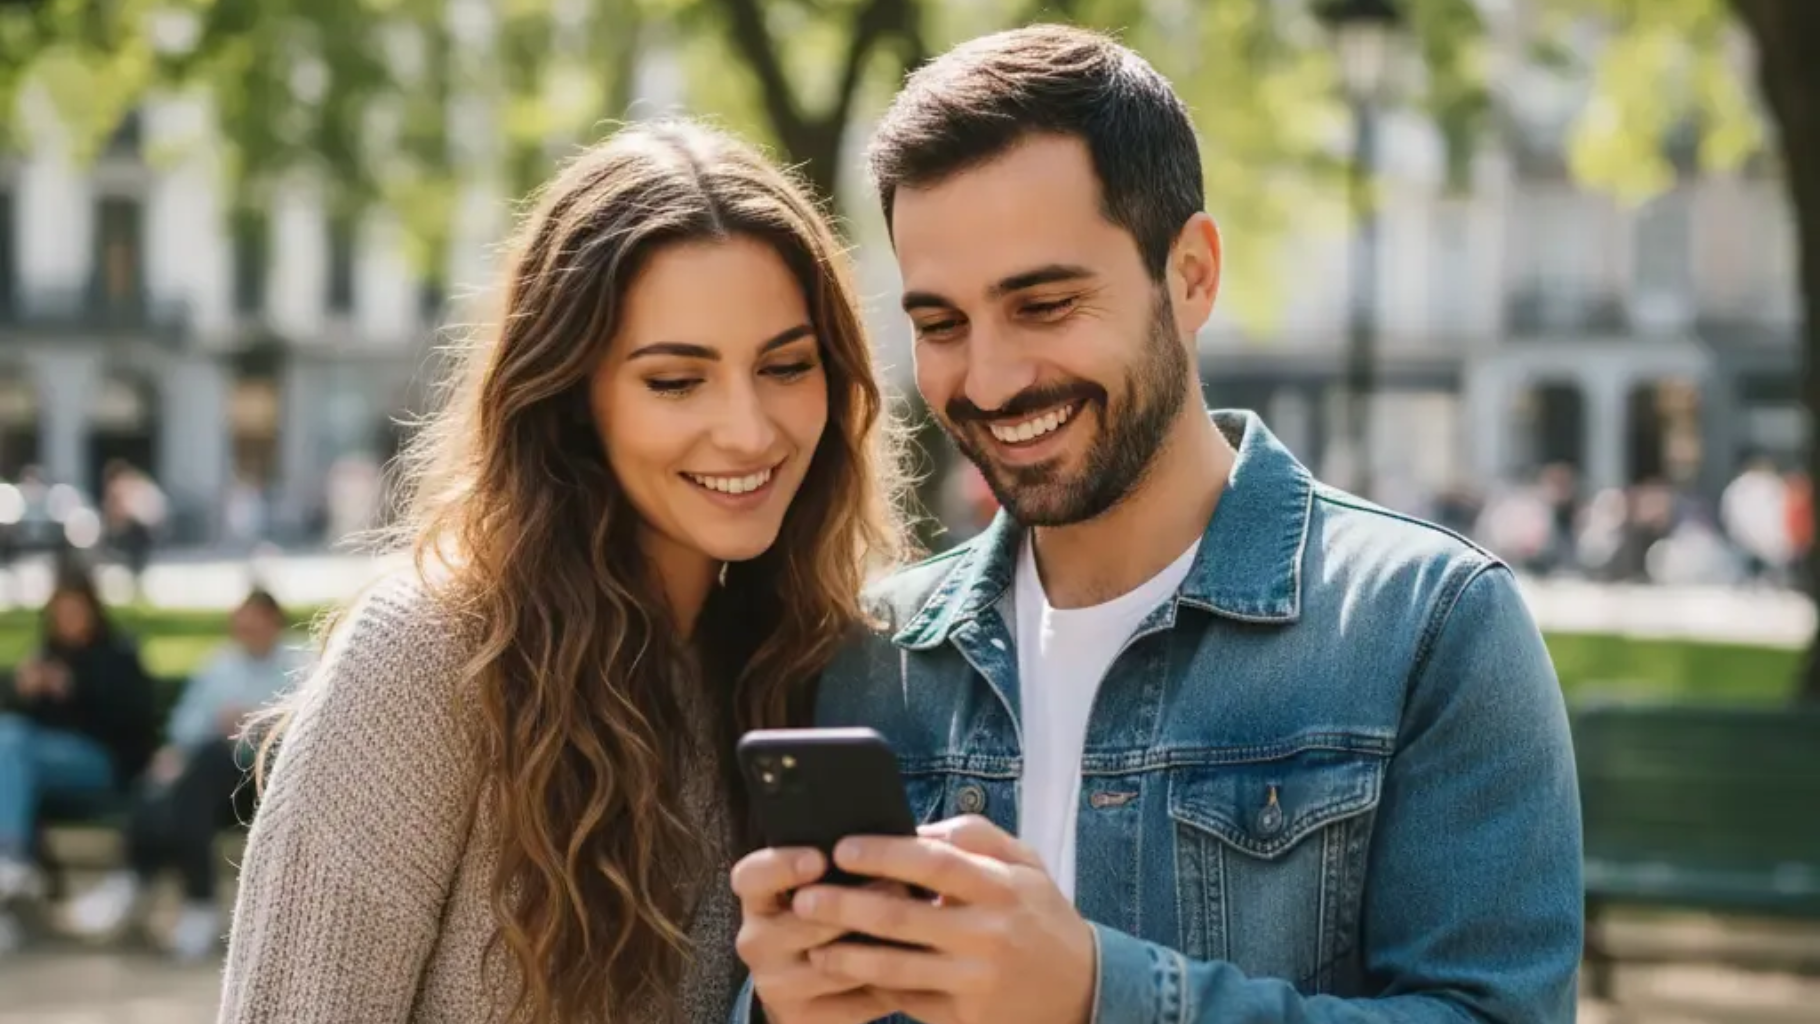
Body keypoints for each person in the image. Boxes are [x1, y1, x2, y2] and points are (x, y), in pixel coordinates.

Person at [731, 24, 1583, 1024]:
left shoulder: (1425, 627)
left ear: (1189, 276)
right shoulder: (871, 656)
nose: (991, 377)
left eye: (1043, 304)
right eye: (939, 324)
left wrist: (1098, 994)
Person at [217, 119, 906, 1024]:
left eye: (786, 365)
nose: (748, 429)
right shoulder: (429, 659)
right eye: (675, 380)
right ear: (575, 395)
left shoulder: (817, 669)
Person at [68, 588, 309, 961]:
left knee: (206, 763)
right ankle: (144, 880)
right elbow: (186, 723)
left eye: (255, 626)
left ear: (273, 623)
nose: (247, 635)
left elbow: (307, 728)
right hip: (209, 777)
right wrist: (180, 751)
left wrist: (255, 723)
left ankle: (162, 886)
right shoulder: (221, 665)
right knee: (162, 780)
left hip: (267, 780)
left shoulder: (301, 662)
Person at [0, 568, 159, 955]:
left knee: (11, 743)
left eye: (74, 611)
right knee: (9, 740)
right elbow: (23, 718)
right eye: (60, 612)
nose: (67, 621)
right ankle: (13, 886)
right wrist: (23, 689)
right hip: (38, 769)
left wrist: (73, 688)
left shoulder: (117, 655)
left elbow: (131, 719)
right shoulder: (46, 653)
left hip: (102, 765)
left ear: (92, 611)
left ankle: (12, 857)